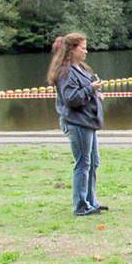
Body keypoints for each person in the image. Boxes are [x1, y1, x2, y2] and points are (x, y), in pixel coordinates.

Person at [47, 32, 107, 216]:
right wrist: (91, 88)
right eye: (83, 47)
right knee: (83, 164)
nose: (86, 51)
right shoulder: (65, 72)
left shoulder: (81, 68)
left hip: (88, 122)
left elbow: (83, 92)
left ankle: (91, 201)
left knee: (93, 162)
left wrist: (95, 93)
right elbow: (71, 99)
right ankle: (80, 205)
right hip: (77, 123)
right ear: (72, 50)